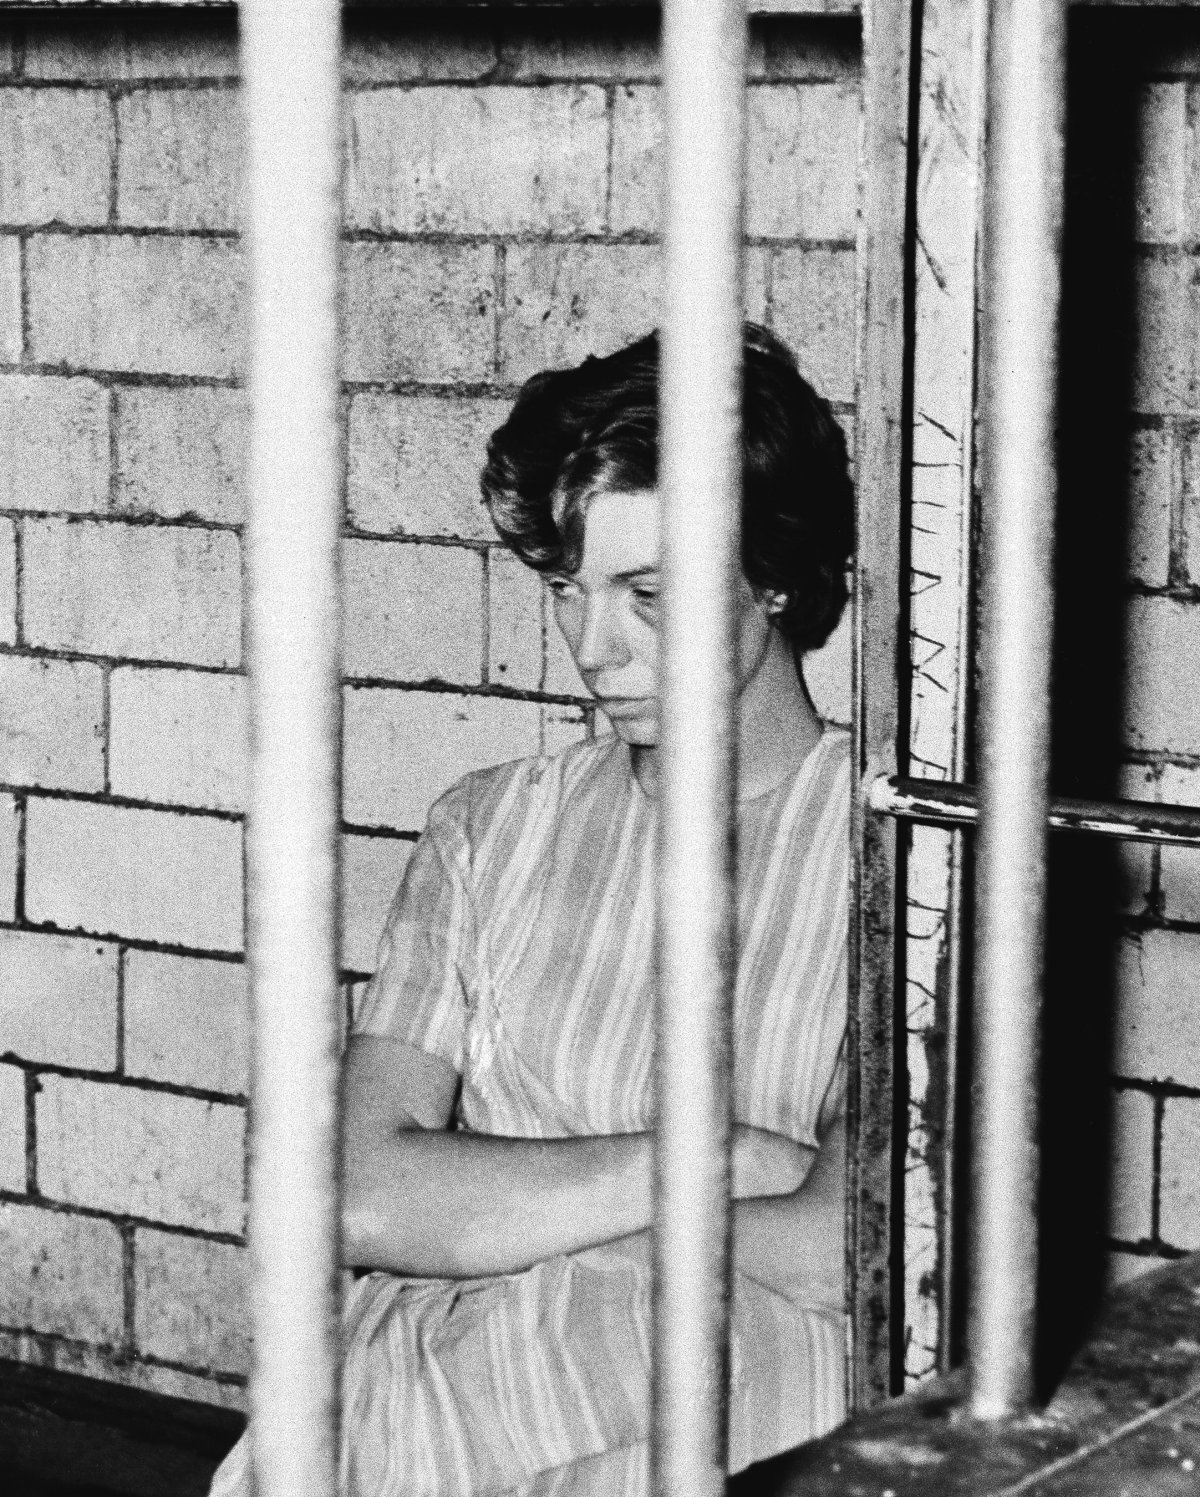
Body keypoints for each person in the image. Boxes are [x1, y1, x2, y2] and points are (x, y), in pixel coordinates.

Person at [210, 323, 853, 1497]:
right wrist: (714, 1159)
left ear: (772, 571)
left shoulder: (895, 861)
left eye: (649, 595)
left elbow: (833, 1255)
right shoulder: (489, 825)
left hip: (731, 1392)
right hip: (443, 1383)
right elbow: (358, 1196)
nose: (594, 649)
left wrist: (500, 1202)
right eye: (569, 590)